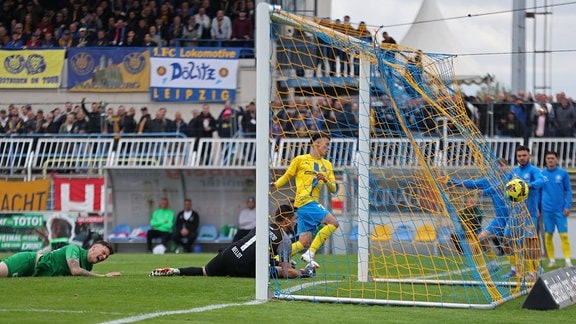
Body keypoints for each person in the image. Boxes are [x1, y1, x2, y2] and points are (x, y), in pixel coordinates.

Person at [149, 204, 315, 279]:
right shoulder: (284, 240)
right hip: (243, 266)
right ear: (286, 221)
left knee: (204, 271)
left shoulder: (262, 225)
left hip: (229, 253)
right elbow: (287, 272)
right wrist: (304, 273)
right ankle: (308, 271)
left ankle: (175, 270)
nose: (296, 222)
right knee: (280, 271)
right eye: (294, 219)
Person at [270, 133, 338, 268]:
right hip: (306, 201)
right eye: (326, 144)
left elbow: (333, 189)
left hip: (305, 206)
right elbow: (288, 175)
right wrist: (276, 184)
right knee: (333, 223)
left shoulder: (328, 165)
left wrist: (325, 180)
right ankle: (310, 254)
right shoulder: (300, 160)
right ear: (316, 143)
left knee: (303, 242)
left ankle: (275, 259)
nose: (328, 148)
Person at [442, 158, 511, 272]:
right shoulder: (489, 180)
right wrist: (450, 180)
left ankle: (532, 268)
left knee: (515, 244)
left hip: (513, 217)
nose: (500, 167)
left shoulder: (511, 178)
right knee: (481, 238)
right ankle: (493, 264)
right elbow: (471, 184)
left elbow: (499, 186)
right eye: (498, 165)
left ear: (507, 167)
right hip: (499, 218)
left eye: (503, 165)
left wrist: (485, 191)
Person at [510, 145, 544, 278]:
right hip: (516, 213)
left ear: (529, 156)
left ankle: (535, 270)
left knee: (530, 243)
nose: (522, 158)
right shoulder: (514, 172)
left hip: (530, 214)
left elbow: (541, 181)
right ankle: (514, 269)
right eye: (519, 156)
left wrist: (529, 185)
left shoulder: (534, 170)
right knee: (511, 239)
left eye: (524, 155)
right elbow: (506, 185)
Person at [0, 240, 120, 278]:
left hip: (34, 274)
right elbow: (75, 270)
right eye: (104, 253)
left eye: (106, 257)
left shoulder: (88, 266)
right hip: (28, 262)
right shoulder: (74, 249)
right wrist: (103, 276)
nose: (104, 257)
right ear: (94, 247)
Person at [540, 151, 573, 267]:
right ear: (545, 160)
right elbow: (539, 192)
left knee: (563, 235)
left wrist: (567, 206)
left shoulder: (563, 173)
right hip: (546, 210)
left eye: (552, 158)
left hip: (560, 210)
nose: (550, 160)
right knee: (548, 235)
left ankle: (568, 260)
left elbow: (568, 191)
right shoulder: (542, 174)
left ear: (557, 159)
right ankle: (552, 260)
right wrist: (538, 208)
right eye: (548, 158)